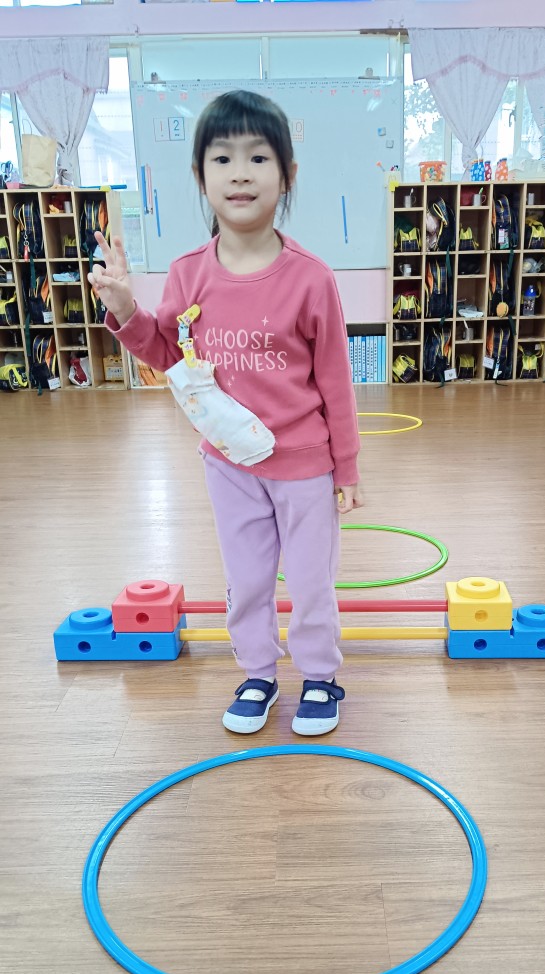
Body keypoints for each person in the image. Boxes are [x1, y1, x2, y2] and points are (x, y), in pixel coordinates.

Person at [89, 89, 362, 737]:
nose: (240, 173)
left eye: (258, 157)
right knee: (246, 579)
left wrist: (346, 467)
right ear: (200, 176)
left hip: (303, 465)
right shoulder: (188, 274)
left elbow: (336, 380)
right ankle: (258, 673)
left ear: (287, 175)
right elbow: (167, 354)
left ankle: (320, 677)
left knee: (312, 582)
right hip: (228, 463)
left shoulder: (311, 277)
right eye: (223, 158)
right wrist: (125, 308)